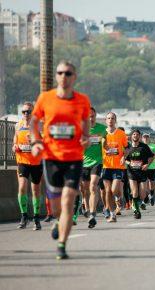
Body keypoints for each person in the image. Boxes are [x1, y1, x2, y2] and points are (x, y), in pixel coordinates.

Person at [30, 60, 91, 260]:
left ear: (74, 77)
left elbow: (85, 124)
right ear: (56, 76)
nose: (64, 76)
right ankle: (58, 222)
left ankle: (62, 244)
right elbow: (34, 121)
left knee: (67, 202)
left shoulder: (82, 100)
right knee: (56, 208)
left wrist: (85, 138)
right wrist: (35, 142)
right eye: (60, 73)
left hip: (74, 158)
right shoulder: (45, 98)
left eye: (68, 73)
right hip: (51, 158)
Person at [13, 102, 43, 230]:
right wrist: (14, 146)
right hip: (22, 161)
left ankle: (36, 217)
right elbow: (15, 140)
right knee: (22, 187)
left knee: (35, 190)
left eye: (28, 112)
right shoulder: (17, 125)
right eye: (24, 112)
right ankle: (24, 216)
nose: (26, 114)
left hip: (36, 162)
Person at [81, 107, 106, 229]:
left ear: (95, 116)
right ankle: (86, 205)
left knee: (93, 186)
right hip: (83, 163)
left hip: (97, 162)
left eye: (93, 116)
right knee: (85, 190)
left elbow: (107, 143)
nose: (91, 118)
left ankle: (92, 214)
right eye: (88, 116)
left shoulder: (102, 129)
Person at [101, 112, 129, 223]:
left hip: (118, 166)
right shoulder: (102, 133)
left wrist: (124, 157)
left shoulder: (121, 133)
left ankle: (118, 197)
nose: (110, 120)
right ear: (105, 120)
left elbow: (127, 148)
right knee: (108, 191)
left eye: (112, 118)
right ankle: (112, 214)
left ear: (115, 120)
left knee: (114, 189)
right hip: (105, 166)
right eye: (108, 118)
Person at [125, 129, 154, 219]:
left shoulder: (144, 147)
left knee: (142, 195)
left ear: (140, 136)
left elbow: (151, 157)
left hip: (142, 172)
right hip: (132, 172)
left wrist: (147, 165)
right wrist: (129, 163)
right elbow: (125, 159)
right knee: (134, 192)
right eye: (134, 134)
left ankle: (137, 202)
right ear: (131, 136)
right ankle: (136, 211)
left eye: (137, 134)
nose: (135, 136)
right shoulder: (128, 147)